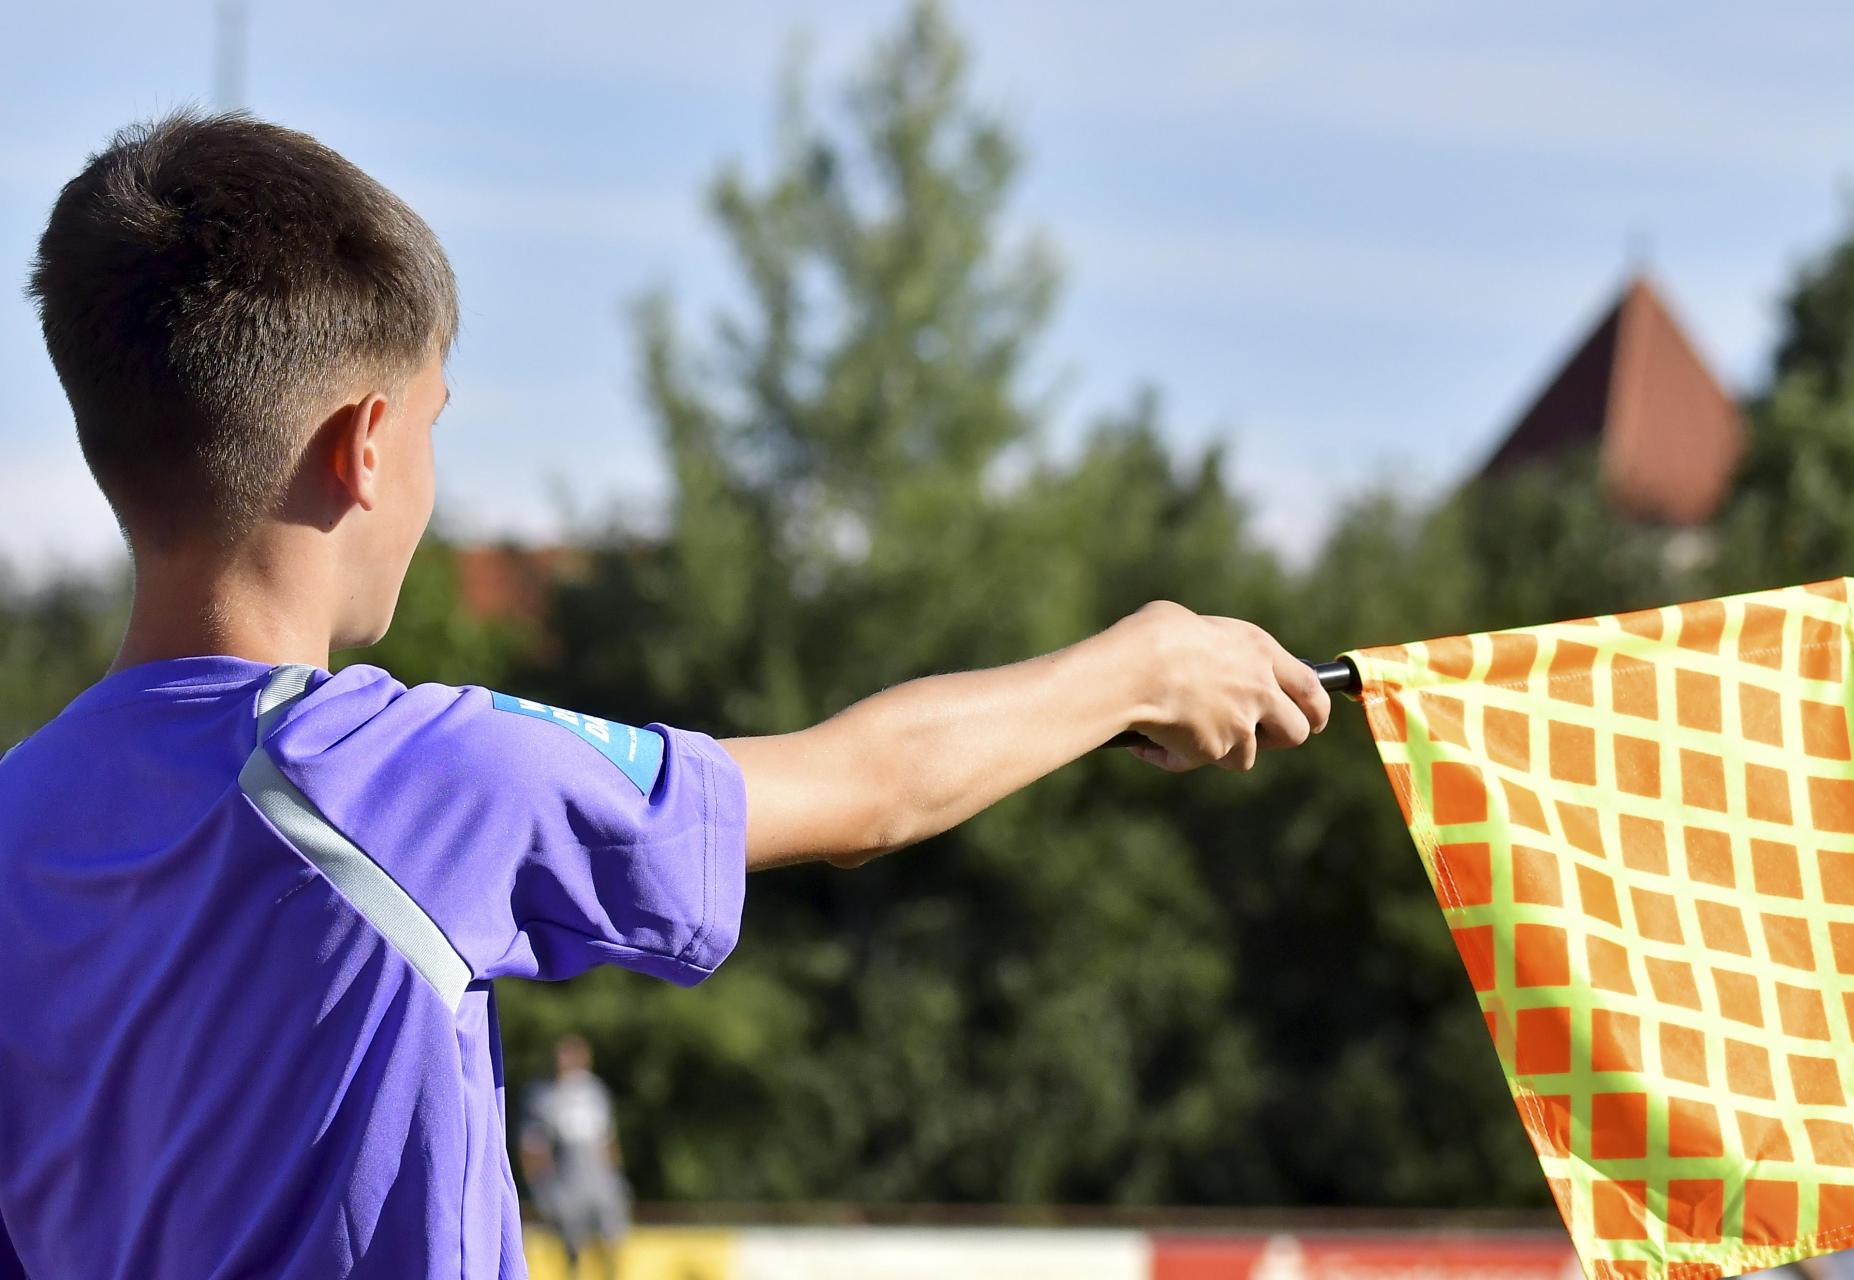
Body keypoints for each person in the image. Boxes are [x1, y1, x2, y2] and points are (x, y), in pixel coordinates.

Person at [0, 110, 1330, 1280]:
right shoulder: (396, 780)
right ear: (364, 447)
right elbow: (868, 788)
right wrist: (1141, 665)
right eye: (436, 424)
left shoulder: (15, 826)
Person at [520, 1036, 630, 1278]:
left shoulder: (596, 1092)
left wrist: (615, 1176)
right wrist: (541, 1186)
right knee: (571, 1245)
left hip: (598, 1179)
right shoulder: (542, 1096)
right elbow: (534, 1146)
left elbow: (607, 1139)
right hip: (565, 1180)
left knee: (611, 1239)